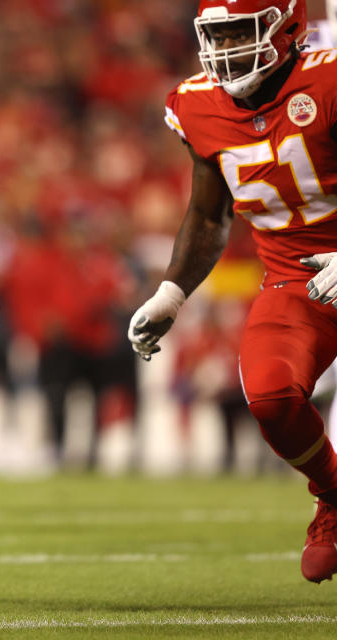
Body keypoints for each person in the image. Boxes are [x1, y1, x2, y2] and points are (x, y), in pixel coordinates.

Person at [128, 0, 337, 583]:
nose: (226, 50)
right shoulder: (196, 105)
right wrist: (173, 292)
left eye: (240, 33)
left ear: (286, 25)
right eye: (216, 36)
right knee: (270, 397)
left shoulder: (329, 78)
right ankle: (334, 498)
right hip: (296, 280)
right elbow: (207, 213)